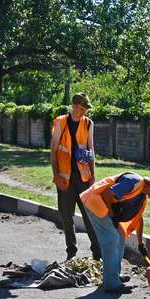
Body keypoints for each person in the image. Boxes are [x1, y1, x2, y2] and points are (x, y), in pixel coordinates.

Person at [80, 172, 150, 293]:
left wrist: (140, 244)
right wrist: (111, 213)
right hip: (94, 201)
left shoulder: (141, 196)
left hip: (104, 205)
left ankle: (114, 276)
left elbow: (138, 219)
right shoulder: (133, 181)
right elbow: (107, 193)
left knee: (120, 236)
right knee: (111, 239)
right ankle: (111, 284)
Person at [50, 92, 101, 261]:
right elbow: (54, 150)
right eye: (81, 108)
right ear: (74, 106)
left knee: (90, 216)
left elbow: (91, 150)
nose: (84, 111)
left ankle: (97, 254)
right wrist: (56, 175)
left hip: (83, 177)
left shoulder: (88, 124)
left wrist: (93, 176)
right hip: (64, 178)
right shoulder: (60, 122)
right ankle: (71, 253)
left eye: (85, 109)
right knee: (66, 215)